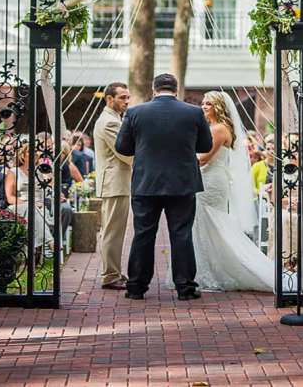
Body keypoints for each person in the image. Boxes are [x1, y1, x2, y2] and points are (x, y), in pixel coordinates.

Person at [115, 73, 212, 300]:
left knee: (143, 235)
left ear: (153, 88)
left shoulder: (135, 112)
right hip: (182, 183)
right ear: (176, 89)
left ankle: (136, 287)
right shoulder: (194, 112)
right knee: (181, 235)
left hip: (146, 183)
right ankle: (185, 288)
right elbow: (205, 144)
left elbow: (122, 147)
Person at [189, 90, 275, 291]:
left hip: (210, 180)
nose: (203, 106)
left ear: (218, 107)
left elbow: (203, 159)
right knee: (205, 225)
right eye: (203, 103)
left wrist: (178, 160)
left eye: (208, 104)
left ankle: (218, 271)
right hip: (209, 178)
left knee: (212, 224)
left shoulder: (218, 129)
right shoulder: (216, 127)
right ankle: (206, 269)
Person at [93, 82, 133, 290]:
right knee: (113, 231)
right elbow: (125, 153)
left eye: (128, 97)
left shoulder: (114, 119)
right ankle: (110, 275)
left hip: (116, 182)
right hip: (115, 183)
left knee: (115, 230)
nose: (127, 101)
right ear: (109, 99)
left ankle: (114, 271)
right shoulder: (109, 122)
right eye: (122, 97)